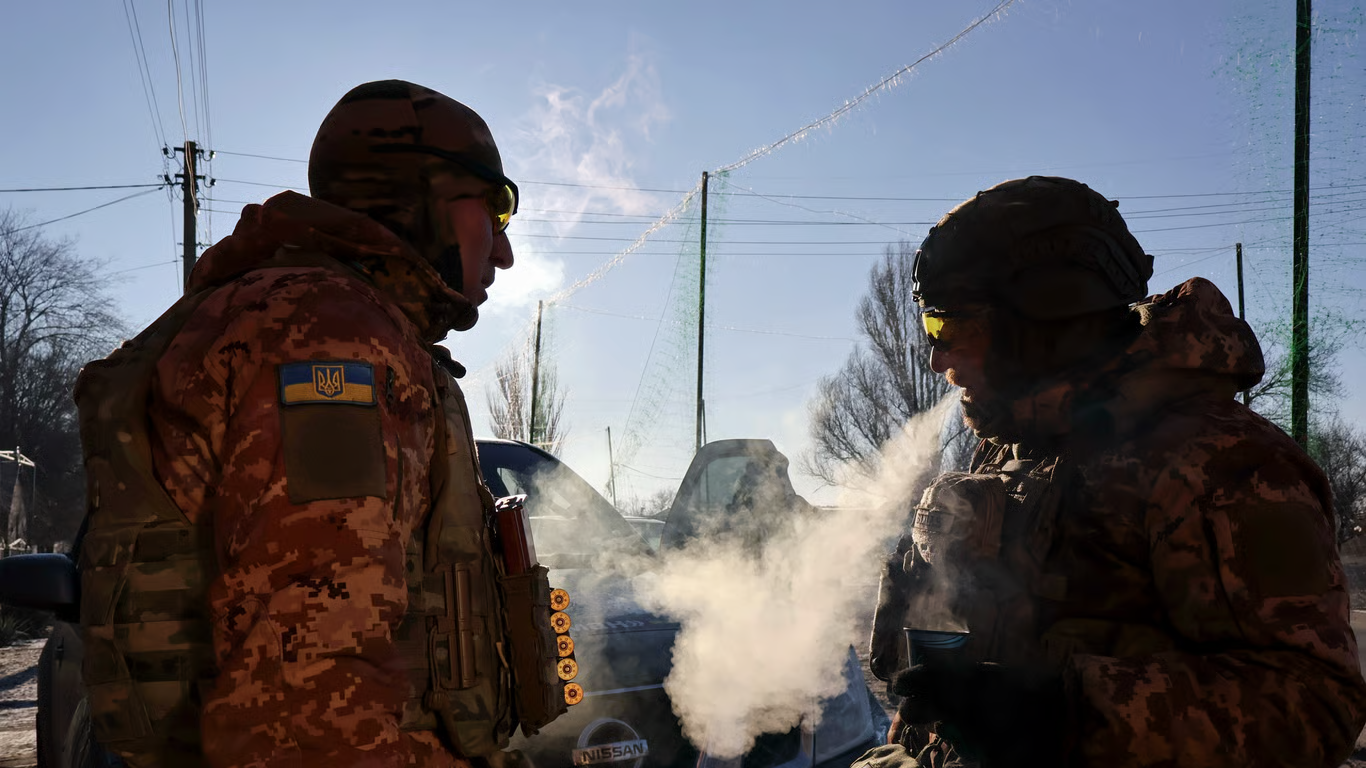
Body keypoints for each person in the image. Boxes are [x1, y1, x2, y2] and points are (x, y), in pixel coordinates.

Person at [74, 80, 559, 768]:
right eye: (496, 210)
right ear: (419, 198)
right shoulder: (324, 334)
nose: (504, 252)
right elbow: (311, 707)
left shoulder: (314, 318)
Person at [854, 176, 1366, 768]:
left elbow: (1313, 703)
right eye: (931, 329)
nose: (940, 359)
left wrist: (1065, 713)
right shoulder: (1015, 449)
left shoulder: (1223, 461)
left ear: (1047, 318)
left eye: (954, 328)